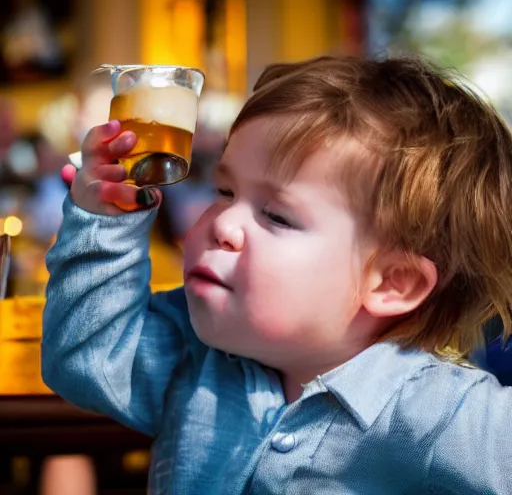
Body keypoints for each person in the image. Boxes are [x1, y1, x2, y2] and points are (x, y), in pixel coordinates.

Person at [42, 56, 512, 494]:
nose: (223, 224)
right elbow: (88, 357)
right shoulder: (196, 353)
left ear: (393, 283)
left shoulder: (436, 413)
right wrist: (104, 218)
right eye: (225, 190)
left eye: (278, 216)